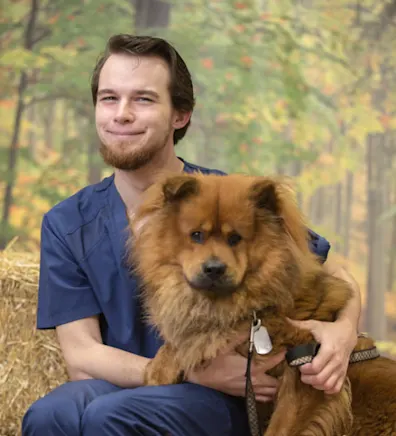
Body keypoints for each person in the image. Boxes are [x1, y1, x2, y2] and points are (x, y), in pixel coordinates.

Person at [22, 34, 361, 436]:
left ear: (180, 115)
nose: (122, 114)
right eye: (109, 98)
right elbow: (81, 356)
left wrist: (343, 333)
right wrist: (183, 371)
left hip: (229, 397)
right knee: (48, 416)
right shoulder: (68, 222)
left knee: (111, 417)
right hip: (147, 379)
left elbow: (337, 273)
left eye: (143, 99)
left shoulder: (227, 199)